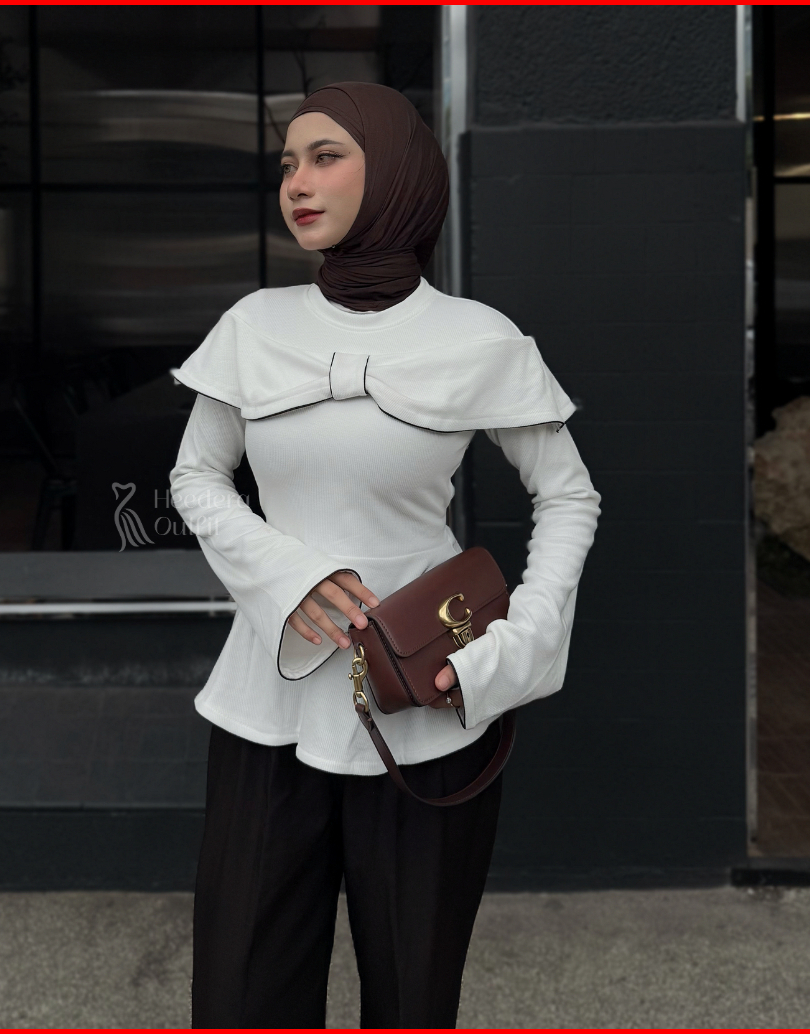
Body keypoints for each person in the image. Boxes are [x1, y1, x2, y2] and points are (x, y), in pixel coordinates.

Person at [168, 82, 600, 1029]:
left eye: (326, 157)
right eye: (288, 163)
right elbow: (195, 477)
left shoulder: (477, 337)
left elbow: (568, 496)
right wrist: (290, 576)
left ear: (397, 171)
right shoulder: (254, 324)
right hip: (268, 708)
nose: (297, 182)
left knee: (413, 994)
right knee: (240, 994)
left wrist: (516, 647)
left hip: (428, 707)